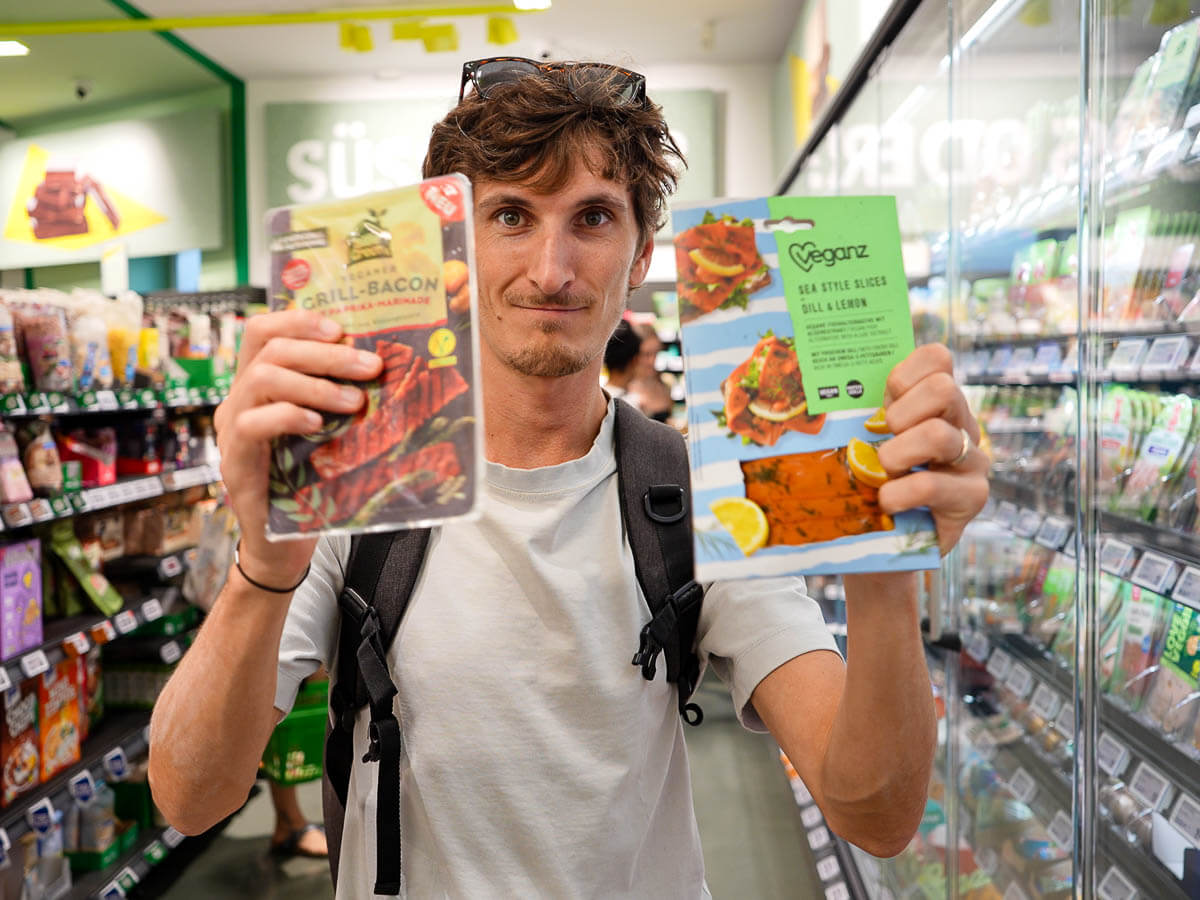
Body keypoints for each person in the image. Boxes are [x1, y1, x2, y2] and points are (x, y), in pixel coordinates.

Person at [148, 58, 989, 898]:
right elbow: (189, 797)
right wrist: (264, 564)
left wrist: (887, 559)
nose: (551, 269)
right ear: (456, 245)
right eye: (510, 215)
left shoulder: (699, 491)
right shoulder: (358, 484)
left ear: (640, 255)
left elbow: (875, 814)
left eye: (592, 217)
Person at [603, 318, 674, 421]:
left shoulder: (665, 383)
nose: (652, 361)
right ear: (635, 356)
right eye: (647, 354)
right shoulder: (628, 396)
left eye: (656, 353)